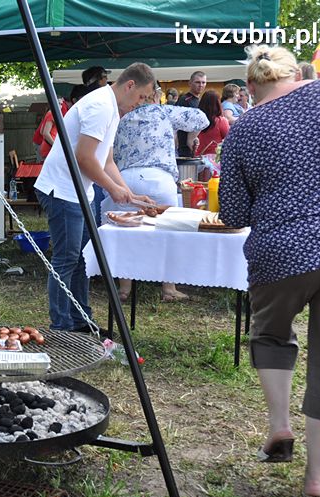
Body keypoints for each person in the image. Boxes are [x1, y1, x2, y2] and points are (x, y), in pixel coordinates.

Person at [219, 44, 320, 497]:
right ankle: (316, 480)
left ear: (251, 86)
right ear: (297, 73)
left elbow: (233, 214)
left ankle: (279, 428)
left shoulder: (245, 127)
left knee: (270, 333)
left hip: (281, 250)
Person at [34, 63, 156, 332]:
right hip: (62, 190)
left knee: (82, 259)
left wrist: (129, 192)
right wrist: (112, 189)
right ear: (130, 85)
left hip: (80, 191)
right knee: (67, 259)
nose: (141, 103)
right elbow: (84, 158)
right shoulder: (101, 106)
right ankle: (61, 326)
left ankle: (81, 320)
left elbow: (106, 160)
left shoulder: (113, 108)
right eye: (142, 96)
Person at [103, 83, 208, 302]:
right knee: (169, 234)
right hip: (159, 179)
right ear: (156, 96)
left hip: (124, 178)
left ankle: (124, 288)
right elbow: (202, 119)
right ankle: (169, 289)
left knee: (124, 233)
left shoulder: (122, 115)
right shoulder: (164, 111)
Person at [176, 71, 207, 156]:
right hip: (185, 148)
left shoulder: (198, 101)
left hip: (193, 146)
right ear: (190, 83)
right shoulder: (185, 100)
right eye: (197, 82)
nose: (201, 85)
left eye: (203, 82)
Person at [195, 90, 229, 157]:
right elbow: (228, 138)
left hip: (198, 156)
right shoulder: (220, 121)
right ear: (218, 103)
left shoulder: (196, 120)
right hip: (215, 157)